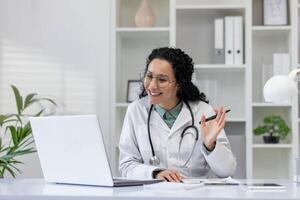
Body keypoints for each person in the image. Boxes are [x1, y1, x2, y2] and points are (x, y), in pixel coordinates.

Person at [119, 47, 236, 182]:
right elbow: (126, 166)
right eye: (149, 76)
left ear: (179, 84)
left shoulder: (204, 113)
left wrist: (211, 145)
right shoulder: (136, 111)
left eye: (162, 80)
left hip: (194, 194)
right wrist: (155, 173)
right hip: (152, 194)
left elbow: (228, 171)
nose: (151, 86)